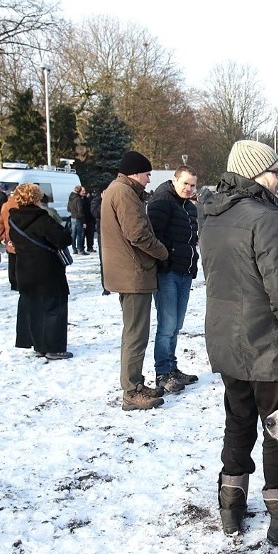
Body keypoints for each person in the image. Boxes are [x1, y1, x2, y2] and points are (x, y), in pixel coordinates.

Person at [200, 139, 278, 545]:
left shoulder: (212, 215)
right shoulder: (266, 218)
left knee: (237, 420)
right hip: (265, 343)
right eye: (274, 171)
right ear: (256, 173)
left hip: (226, 340)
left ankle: (230, 507)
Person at [101, 151, 169, 411]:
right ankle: (131, 391)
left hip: (130, 271)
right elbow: (137, 234)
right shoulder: (125, 192)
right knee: (136, 334)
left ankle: (135, 384)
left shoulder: (118, 190)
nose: (149, 179)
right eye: (147, 173)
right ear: (136, 172)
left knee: (135, 332)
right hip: (133, 273)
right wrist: (163, 252)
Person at [147, 165, 201, 394]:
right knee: (167, 325)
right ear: (175, 180)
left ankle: (172, 366)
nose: (189, 188)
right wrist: (167, 258)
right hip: (168, 272)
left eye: (192, 185)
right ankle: (162, 372)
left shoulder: (189, 207)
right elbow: (153, 235)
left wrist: (192, 261)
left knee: (176, 325)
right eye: (185, 183)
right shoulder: (162, 201)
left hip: (185, 271)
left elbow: (191, 238)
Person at [6, 184, 73, 359]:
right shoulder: (42, 219)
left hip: (25, 270)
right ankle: (54, 348)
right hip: (47, 270)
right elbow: (63, 239)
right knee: (54, 308)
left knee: (34, 308)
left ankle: (39, 345)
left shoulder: (13, 219)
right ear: (36, 198)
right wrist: (64, 229)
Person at [67, 185, 87, 255]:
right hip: (78, 218)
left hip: (72, 217)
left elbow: (68, 209)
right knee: (80, 234)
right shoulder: (78, 199)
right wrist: (83, 221)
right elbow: (80, 211)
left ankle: (74, 249)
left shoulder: (71, 198)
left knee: (73, 234)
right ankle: (80, 249)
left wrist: (73, 212)